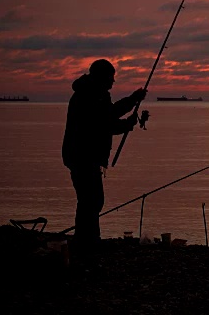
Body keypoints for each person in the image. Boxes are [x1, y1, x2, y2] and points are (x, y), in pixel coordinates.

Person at [62, 59, 147, 250]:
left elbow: (109, 114)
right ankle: (86, 241)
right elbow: (103, 124)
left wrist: (133, 99)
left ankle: (87, 239)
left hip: (84, 155)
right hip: (82, 155)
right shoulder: (88, 97)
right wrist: (127, 124)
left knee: (90, 199)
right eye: (110, 78)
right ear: (101, 77)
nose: (112, 82)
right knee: (91, 199)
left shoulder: (96, 94)